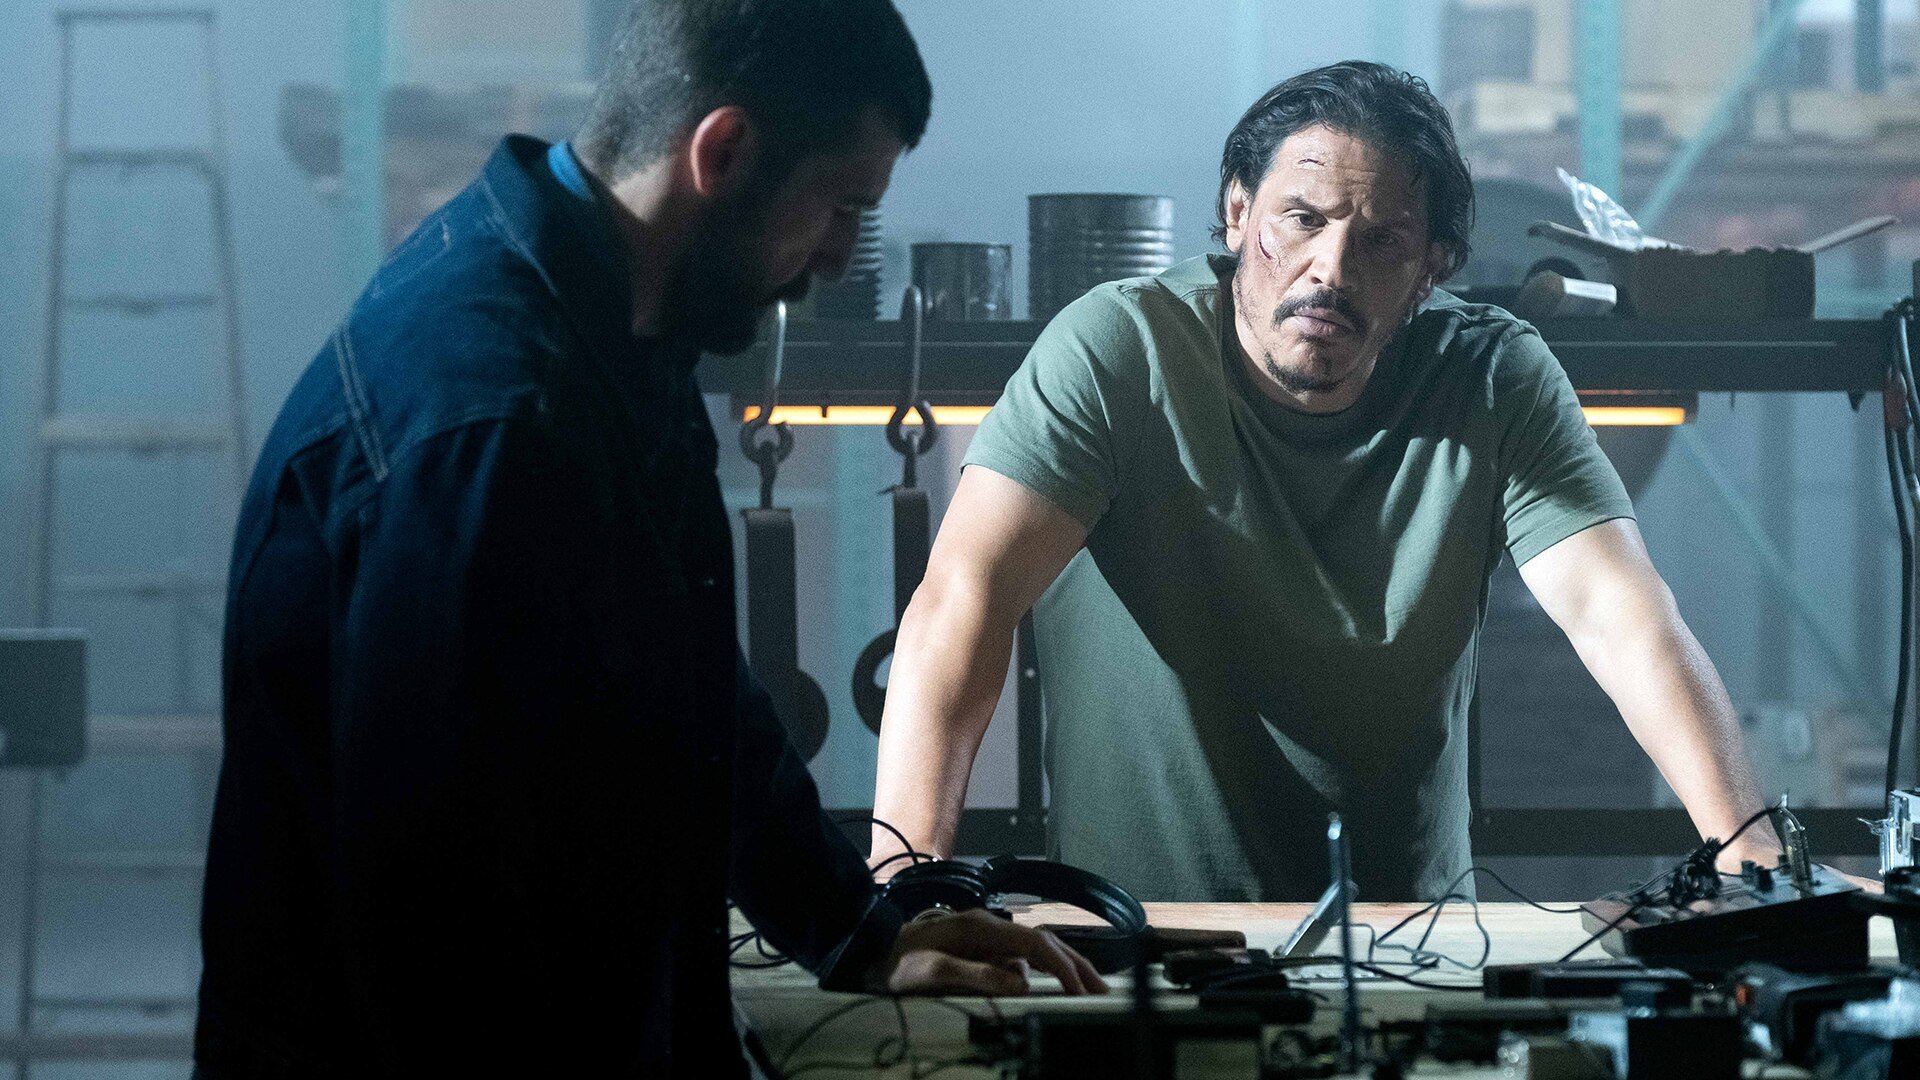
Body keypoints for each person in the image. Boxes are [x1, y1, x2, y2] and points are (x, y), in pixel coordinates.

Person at [195, 2, 1102, 1077]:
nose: (838, 258)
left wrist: (860, 934)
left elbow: (694, 693)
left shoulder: (612, 323)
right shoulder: (496, 420)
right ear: (723, 153)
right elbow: (440, 916)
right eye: (840, 208)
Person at [870, 61, 1787, 902]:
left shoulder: (1493, 376)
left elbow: (1622, 617)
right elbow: (963, 604)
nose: (1331, 270)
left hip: (1411, 940)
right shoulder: (1119, 350)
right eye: (1302, 219)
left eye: (1382, 241)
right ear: (1239, 214)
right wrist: (902, 897)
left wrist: (1756, 861)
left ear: (1431, 270)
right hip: (1139, 935)